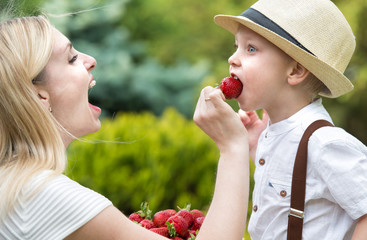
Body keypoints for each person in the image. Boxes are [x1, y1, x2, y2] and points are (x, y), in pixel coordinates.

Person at [0, 15, 250, 239]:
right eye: (71, 58)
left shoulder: (15, 185)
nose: (91, 60)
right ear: (40, 97)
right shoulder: (45, 195)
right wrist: (233, 147)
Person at [208, 0, 367, 239]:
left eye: (251, 49)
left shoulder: (325, 143)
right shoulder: (273, 133)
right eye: (236, 47)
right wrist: (255, 148)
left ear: (295, 71)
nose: (233, 58)